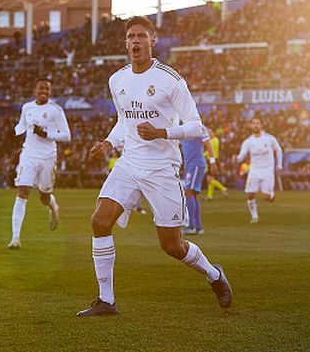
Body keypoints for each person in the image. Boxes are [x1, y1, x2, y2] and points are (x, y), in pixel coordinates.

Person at [77, 16, 232, 316]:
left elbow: (197, 127)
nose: (135, 41)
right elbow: (124, 121)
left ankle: (214, 275)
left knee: (172, 246)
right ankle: (106, 300)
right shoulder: (117, 79)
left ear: (152, 41)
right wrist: (108, 143)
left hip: (162, 169)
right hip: (130, 163)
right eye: (131, 36)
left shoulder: (170, 80)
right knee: (99, 221)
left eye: (141, 36)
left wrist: (162, 132)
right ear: (125, 43)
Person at [9, 78, 71, 249]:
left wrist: (47, 134)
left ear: (50, 92)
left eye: (47, 89)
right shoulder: (27, 107)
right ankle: (15, 238)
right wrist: (14, 131)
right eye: (41, 88)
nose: (44, 91)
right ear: (35, 90)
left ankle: (53, 206)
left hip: (48, 157)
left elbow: (67, 135)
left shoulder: (55, 110)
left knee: (44, 196)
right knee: (22, 191)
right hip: (28, 154)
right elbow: (21, 125)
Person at [236, 117, 283, 223]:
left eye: (258, 123)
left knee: (266, 197)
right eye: (254, 123)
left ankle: (271, 196)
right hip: (254, 170)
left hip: (267, 170)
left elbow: (278, 150)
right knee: (250, 194)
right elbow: (242, 155)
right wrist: (238, 158)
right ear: (251, 126)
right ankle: (254, 216)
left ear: (261, 125)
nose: (256, 125)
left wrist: (279, 165)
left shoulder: (269, 139)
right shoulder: (248, 141)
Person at [182, 126, 218, 235]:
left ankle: (191, 226)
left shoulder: (198, 126)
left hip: (196, 164)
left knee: (188, 192)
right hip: (190, 165)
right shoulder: (182, 126)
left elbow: (208, 144)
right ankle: (198, 227)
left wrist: (212, 161)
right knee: (193, 194)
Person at [205, 127, 228, 200]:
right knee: (211, 179)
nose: (209, 134)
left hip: (213, 161)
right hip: (211, 160)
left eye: (210, 132)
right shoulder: (212, 140)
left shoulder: (215, 140)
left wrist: (202, 155)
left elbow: (209, 150)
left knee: (209, 179)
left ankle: (223, 188)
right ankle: (209, 196)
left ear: (213, 133)